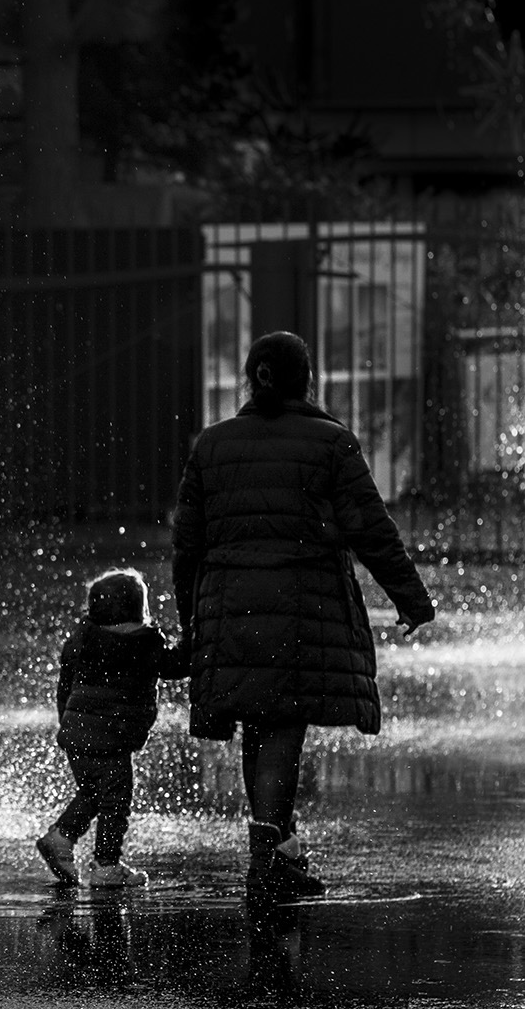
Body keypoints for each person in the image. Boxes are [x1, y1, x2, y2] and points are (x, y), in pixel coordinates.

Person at [171, 329, 435, 902]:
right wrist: (410, 599)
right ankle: (268, 859)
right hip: (301, 603)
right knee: (282, 724)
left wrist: (192, 623)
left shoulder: (211, 445)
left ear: (251, 376)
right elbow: (371, 529)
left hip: (228, 603)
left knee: (256, 723)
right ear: (305, 379)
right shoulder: (330, 443)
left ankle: (276, 848)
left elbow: (186, 546)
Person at [36, 566, 187, 890]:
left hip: (77, 735)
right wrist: (194, 638)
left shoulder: (81, 639)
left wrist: (68, 721)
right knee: (115, 802)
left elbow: (64, 687)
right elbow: (177, 666)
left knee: (93, 792)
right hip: (113, 739)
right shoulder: (145, 643)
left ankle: (61, 838)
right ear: (139, 607)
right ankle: (106, 864)